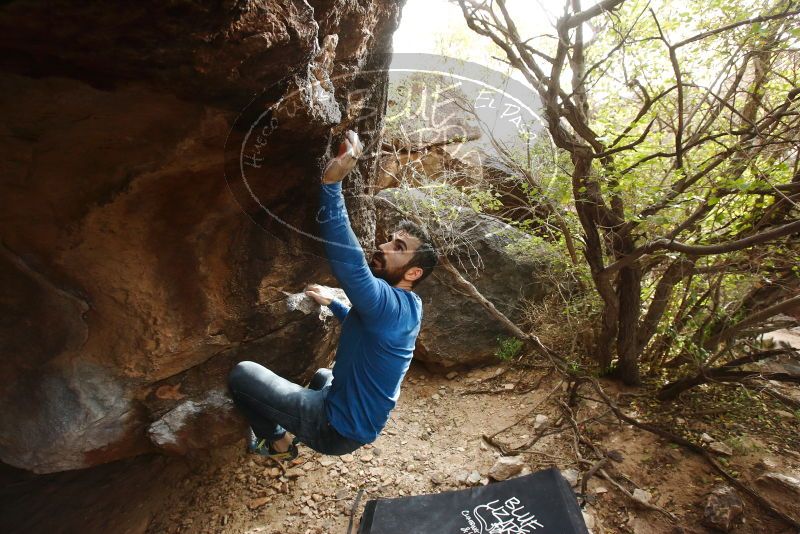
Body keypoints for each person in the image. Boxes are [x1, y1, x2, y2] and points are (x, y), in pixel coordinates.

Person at [227, 130, 438, 461]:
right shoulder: (410, 305)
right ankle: (297, 418)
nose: (382, 247)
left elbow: (351, 264)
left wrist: (331, 185)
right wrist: (336, 305)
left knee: (243, 375)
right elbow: (371, 330)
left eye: (398, 248)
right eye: (389, 240)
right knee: (324, 376)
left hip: (334, 428)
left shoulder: (385, 303)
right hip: (357, 424)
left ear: (413, 273)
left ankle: (278, 445)